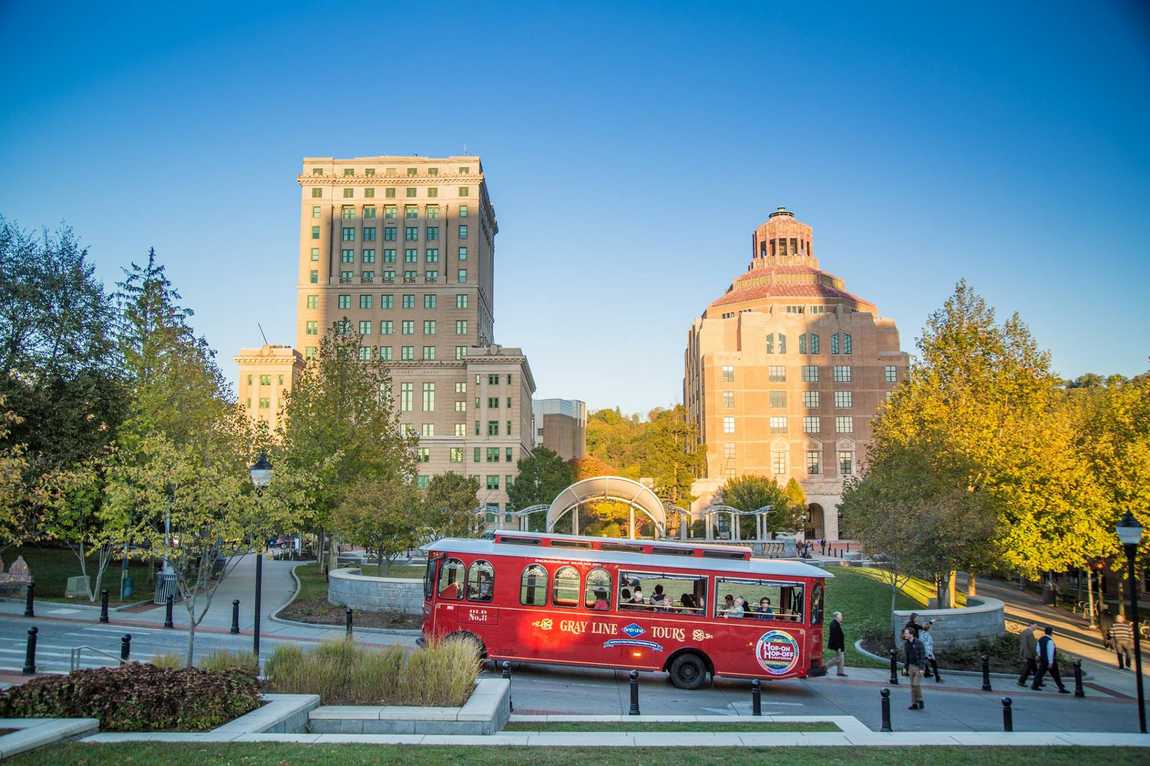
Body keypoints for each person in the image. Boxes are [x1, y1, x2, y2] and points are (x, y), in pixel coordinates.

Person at [1031, 626, 1070, 693]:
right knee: (1056, 675)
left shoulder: (1041, 639)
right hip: (1049, 661)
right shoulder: (1050, 641)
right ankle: (1061, 688)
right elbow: (1050, 652)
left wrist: (1038, 655)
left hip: (1043, 659)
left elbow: (1038, 649)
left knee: (1040, 673)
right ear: (1051, 633)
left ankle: (1035, 685)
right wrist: (1050, 662)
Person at [904, 627, 926, 710]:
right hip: (910, 666)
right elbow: (906, 657)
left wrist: (922, 668)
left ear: (911, 634)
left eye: (906, 633)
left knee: (916, 684)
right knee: (912, 686)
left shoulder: (919, 643)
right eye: (905, 633)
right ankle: (914, 704)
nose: (905, 635)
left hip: (918, 667)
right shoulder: (906, 644)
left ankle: (920, 699)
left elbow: (922, 656)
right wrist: (905, 668)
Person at [1017, 622, 1039, 688]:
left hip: (1025, 652)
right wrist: (1036, 654)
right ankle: (1021, 681)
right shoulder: (1030, 634)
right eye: (1035, 626)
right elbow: (1032, 646)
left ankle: (1038, 681)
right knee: (1027, 669)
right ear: (1030, 625)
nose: (1036, 627)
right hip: (1029, 654)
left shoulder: (1024, 632)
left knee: (1034, 669)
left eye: (1036, 626)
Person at [827, 611, 847, 677]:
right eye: (840, 616)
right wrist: (838, 647)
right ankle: (825, 667)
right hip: (837, 645)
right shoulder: (834, 624)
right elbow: (835, 637)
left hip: (839, 645)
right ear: (836, 617)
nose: (842, 617)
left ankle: (840, 672)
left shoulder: (836, 623)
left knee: (841, 657)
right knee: (838, 658)